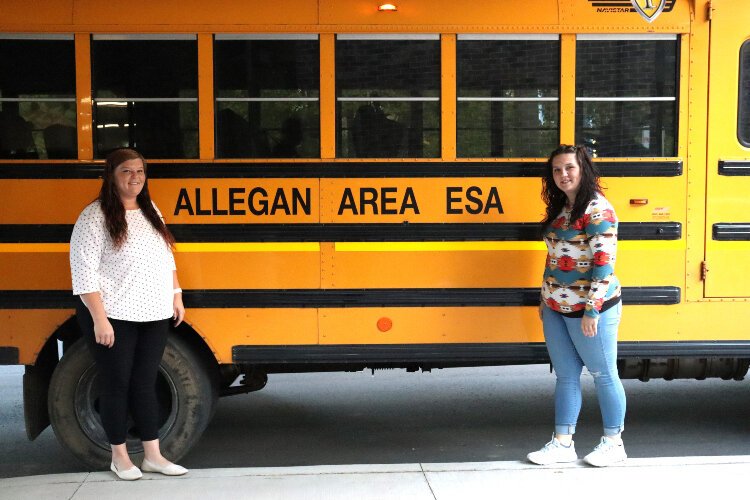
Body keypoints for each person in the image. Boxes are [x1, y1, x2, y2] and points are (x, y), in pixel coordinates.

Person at [69, 148, 188, 480]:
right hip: (114, 314)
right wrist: (99, 318)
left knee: (144, 383)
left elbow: (167, 257)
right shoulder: (94, 216)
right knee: (116, 383)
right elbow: (83, 272)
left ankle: (153, 455)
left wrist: (176, 294)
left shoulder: (151, 210)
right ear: (110, 175)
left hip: (154, 311)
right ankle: (119, 457)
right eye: (126, 171)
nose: (135, 177)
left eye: (140, 171)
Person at [527, 144, 626, 467]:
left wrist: (593, 309)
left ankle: (614, 442)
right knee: (567, 376)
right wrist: (545, 297)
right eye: (556, 170)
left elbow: (604, 263)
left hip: (590, 309)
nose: (563, 175)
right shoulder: (561, 208)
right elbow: (554, 256)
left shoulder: (598, 210)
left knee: (603, 374)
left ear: (583, 169)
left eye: (569, 167)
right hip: (556, 307)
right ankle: (562, 443)